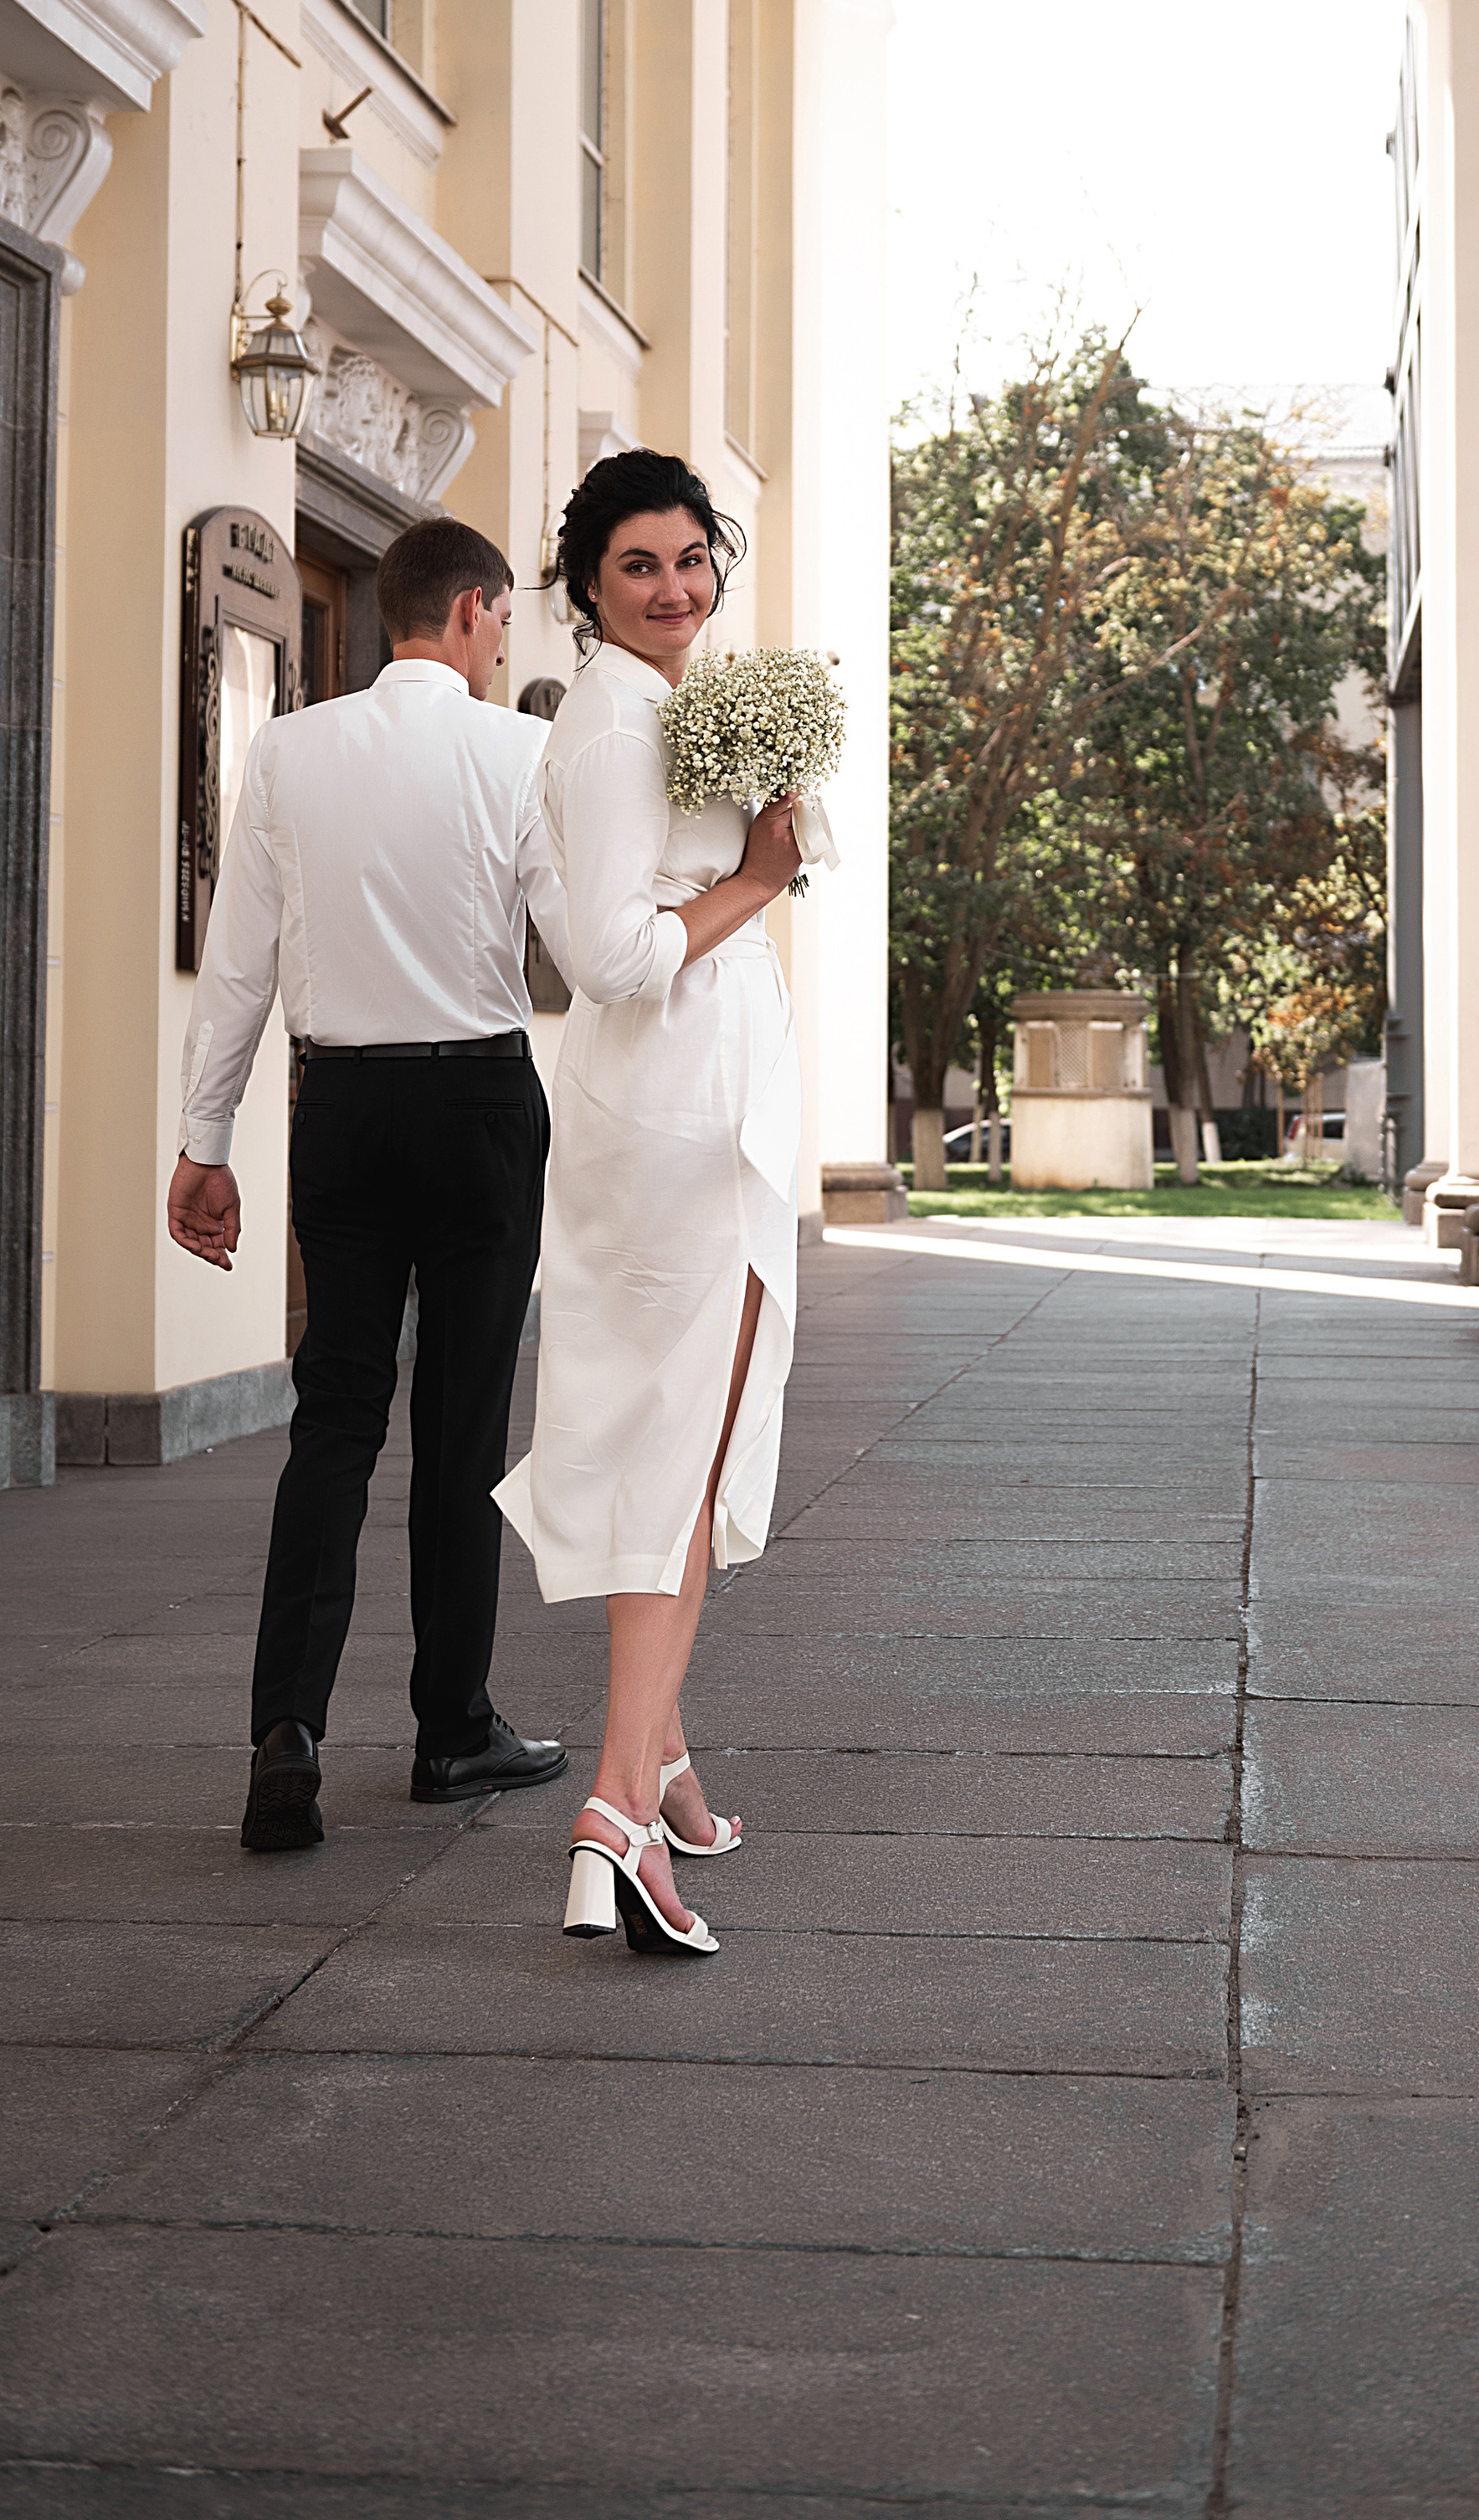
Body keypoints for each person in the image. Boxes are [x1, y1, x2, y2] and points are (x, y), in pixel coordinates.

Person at [167, 517, 575, 1854]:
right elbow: (578, 945)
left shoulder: (290, 750)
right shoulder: (520, 751)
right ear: (469, 612)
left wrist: (205, 1142)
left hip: (338, 1108)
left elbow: (238, 959)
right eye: (502, 617)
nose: (503, 640)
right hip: (479, 1110)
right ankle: (452, 1731)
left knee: (334, 1418)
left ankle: (285, 1731)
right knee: (461, 1427)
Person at [494, 449, 802, 1959]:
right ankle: (614, 1812)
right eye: (639, 566)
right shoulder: (617, 722)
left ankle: (662, 1766)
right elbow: (612, 956)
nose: (674, 588)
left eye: (691, 559)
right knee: (679, 1457)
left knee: (680, 1437)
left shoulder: (655, 703)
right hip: (678, 1117)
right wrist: (759, 878)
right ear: (588, 586)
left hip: (683, 1104)